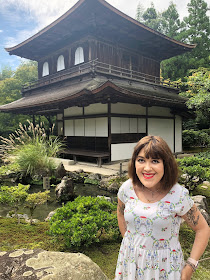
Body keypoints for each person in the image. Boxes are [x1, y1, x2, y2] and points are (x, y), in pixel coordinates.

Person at [115, 135, 209, 280]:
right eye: (141, 160)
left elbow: (202, 229)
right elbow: (121, 214)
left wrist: (191, 264)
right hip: (130, 262)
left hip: (164, 267)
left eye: (155, 161)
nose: (147, 168)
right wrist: (130, 243)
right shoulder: (126, 188)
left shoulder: (178, 195)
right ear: (134, 163)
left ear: (166, 164)